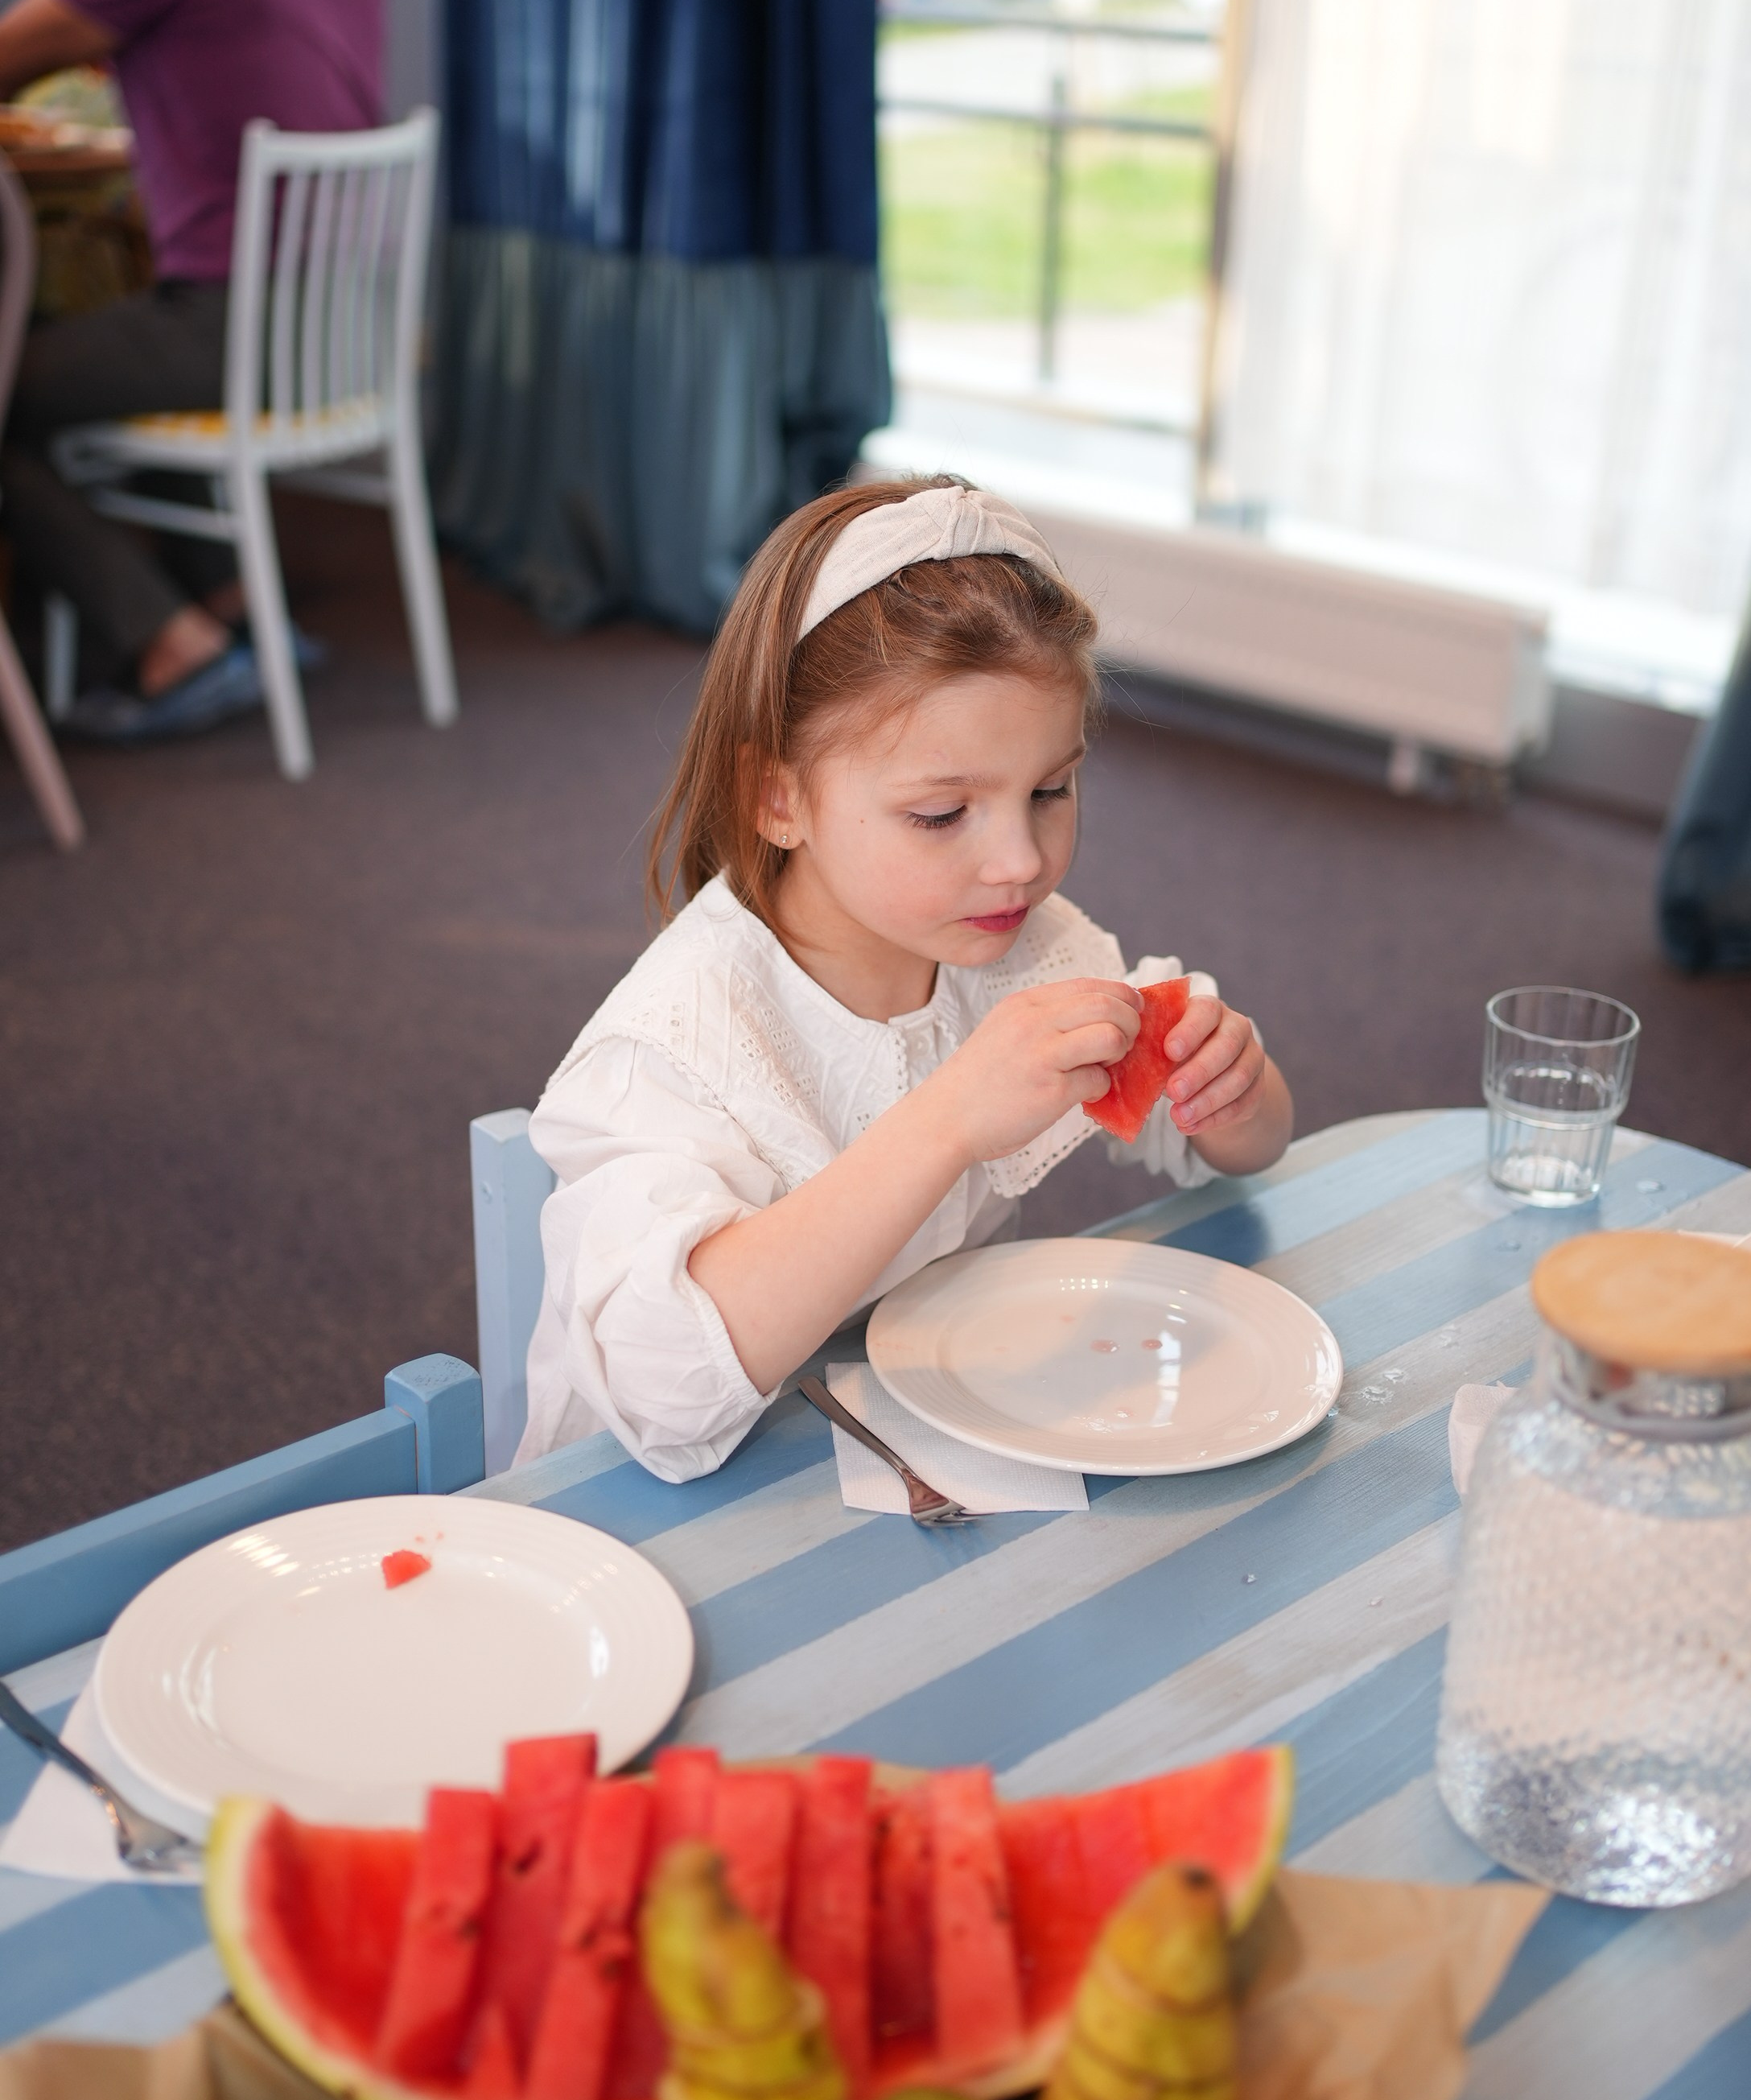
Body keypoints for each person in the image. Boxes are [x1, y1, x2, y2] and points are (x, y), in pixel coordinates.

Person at [517, 477, 1293, 1477]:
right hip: (660, 1512)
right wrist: (946, 1120)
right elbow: (655, 1387)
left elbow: (1241, 1148)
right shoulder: (671, 1051)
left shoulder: (1016, 945)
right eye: (940, 815)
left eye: (1051, 790)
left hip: (898, 1448)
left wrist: (1230, 1088)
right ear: (778, 800)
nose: (1018, 860)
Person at [0, 0, 383, 741]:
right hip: (341, 318)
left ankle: (173, 644)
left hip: (231, 324)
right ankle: (230, 603)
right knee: (49, 342)